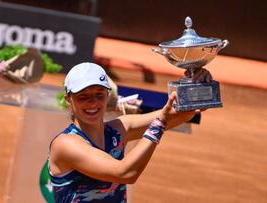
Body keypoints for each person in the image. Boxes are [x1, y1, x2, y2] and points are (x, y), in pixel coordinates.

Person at [48, 62, 211, 203]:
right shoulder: (65, 144)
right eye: (83, 96)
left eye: (99, 94)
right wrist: (160, 122)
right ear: (68, 99)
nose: (93, 102)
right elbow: (125, 173)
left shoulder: (120, 128)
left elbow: (184, 113)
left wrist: (195, 85)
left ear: (107, 95)